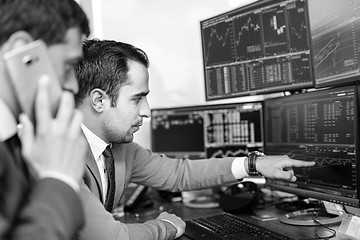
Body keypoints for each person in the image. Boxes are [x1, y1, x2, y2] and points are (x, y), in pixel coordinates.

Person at [74, 39, 316, 240]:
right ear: (99, 100)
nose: (147, 111)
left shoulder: (119, 150)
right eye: (137, 99)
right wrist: (165, 226)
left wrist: (252, 164)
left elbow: (179, 173)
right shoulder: (59, 157)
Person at [0, 0, 90, 239]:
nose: (73, 85)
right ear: (22, 52)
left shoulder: (14, 143)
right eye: (69, 66)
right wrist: (57, 181)